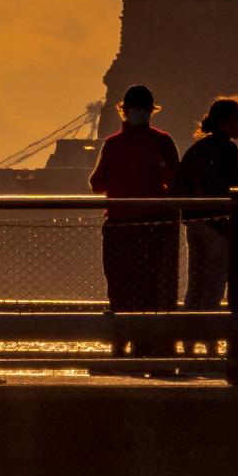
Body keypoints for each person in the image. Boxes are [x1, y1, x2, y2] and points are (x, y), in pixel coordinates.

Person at [88, 85, 179, 366]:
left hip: (121, 224)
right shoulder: (159, 141)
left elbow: (96, 184)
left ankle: (122, 344)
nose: (139, 114)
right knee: (144, 286)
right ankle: (139, 344)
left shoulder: (115, 143)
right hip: (147, 224)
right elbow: (175, 184)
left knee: (120, 287)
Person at [175, 98, 238, 344]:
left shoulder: (197, 148)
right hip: (216, 224)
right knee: (213, 288)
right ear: (224, 122)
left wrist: (197, 195)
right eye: (237, 117)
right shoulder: (227, 148)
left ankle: (187, 342)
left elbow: (180, 183)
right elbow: (232, 187)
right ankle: (210, 342)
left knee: (194, 285)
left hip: (194, 222)